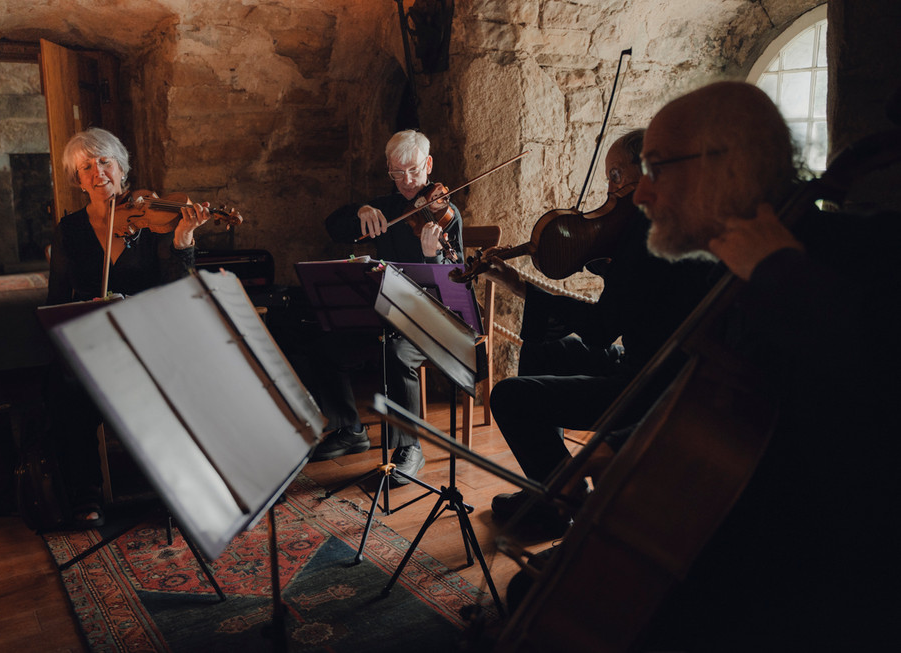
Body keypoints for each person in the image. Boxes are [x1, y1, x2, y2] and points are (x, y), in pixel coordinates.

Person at [630, 81, 901, 649]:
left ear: (723, 167)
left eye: (655, 167)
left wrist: (780, 272)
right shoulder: (721, 273)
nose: (639, 193)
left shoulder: (863, 256)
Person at [482, 130, 717, 536]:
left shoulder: (648, 240)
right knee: (548, 348)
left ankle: (567, 504)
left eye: (614, 176)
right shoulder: (666, 225)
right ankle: (546, 486)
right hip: (643, 359)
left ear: (647, 174)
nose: (609, 193)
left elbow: (600, 329)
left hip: (649, 384)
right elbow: (619, 315)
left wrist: (517, 285)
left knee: (509, 396)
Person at [45, 127, 213, 528]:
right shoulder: (70, 231)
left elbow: (178, 286)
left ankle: (177, 485)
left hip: (150, 334)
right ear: (78, 180)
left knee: (173, 381)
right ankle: (86, 494)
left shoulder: (152, 220)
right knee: (65, 388)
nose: (98, 172)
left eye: (105, 162)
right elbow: (56, 298)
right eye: (86, 167)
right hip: (96, 339)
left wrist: (183, 238)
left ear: (121, 170)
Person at [310, 129, 464, 483]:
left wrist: (432, 256)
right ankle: (350, 429)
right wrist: (360, 210)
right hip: (386, 313)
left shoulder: (447, 215)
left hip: (429, 320)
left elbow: (453, 287)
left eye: (413, 171)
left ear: (428, 165)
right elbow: (334, 226)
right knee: (325, 347)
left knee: (396, 353)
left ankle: (410, 447)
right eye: (397, 173)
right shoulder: (387, 207)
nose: (407, 182)